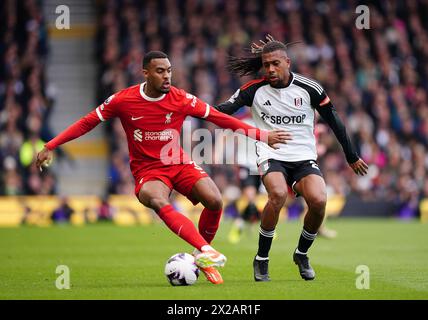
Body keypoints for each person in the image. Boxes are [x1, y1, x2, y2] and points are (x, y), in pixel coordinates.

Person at [35, 51, 290, 285]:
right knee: (156, 199)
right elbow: (87, 122)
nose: (166, 75)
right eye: (160, 71)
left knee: (214, 200)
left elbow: (218, 117)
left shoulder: (180, 98)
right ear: (145, 73)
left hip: (177, 162)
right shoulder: (124, 100)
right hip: (148, 171)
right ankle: (205, 249)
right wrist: (51, 145)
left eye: (169, 70)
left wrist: (260, 135)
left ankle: (201, 256)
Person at [215, 36, 368, 282]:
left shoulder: (310, 89)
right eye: (266, 65)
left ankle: (301, 254)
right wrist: (191, 106)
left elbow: (335, 122)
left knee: (318, 201)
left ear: (288, 62)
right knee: (277, 194)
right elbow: (221, 112)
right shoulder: (252, 90)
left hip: (303, 156)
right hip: (270, 153)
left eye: (275, 63)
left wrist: (351, 156)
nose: (270, 69)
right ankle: (262, 259)